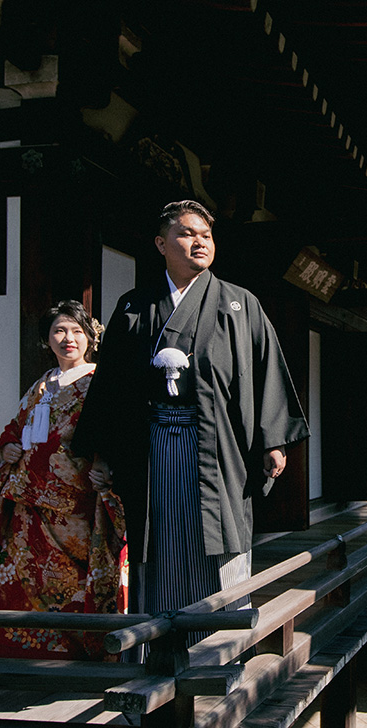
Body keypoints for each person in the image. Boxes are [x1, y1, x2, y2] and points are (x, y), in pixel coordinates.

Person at [72, 200, 309, 639]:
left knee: (222, 537)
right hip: (152, 446)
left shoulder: (240, 304)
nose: (199, 242)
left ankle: (222, 646)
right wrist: (103, 451)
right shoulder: (134, 306)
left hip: (220, 451)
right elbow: (112, 387)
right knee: (157, 542)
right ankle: (157, 646)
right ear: (161, 244)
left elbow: (266, 372)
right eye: (186, 234)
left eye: (206, 235)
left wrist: (273, 439)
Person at [0, 300, 127, 660]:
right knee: (24, 573)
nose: (67, 338)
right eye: (59, 330)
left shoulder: (99, 381)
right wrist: (8, 447)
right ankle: (18, 646)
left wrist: (106, 466)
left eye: (76, 331)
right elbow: (16, 427)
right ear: (47, 340)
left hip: (78, 501)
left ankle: (78, 647)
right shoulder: (42, 384)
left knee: (74, 577)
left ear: (90, 337)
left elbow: (115, 433)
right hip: (30, 502)